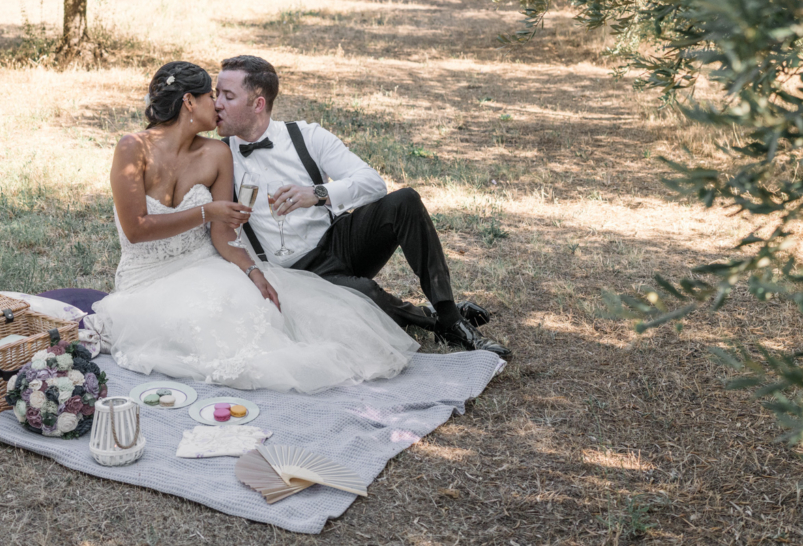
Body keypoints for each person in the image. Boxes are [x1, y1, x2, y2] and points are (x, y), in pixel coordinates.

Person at [89, 61, 418, 393]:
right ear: (189, 102)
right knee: (191, 323)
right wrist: (207, 211)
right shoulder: (132, 147)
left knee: (257, 314)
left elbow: (222, 235)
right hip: (144, 277)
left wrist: (252, 271)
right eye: (210, 96)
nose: (216, 104)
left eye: (222, 96)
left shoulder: (217, 153)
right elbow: (137, 229)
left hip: (202, 266)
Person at [215, 54, 510, 359]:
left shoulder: (306, 136)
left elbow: (372, 183)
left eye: (228, 96)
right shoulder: (218, 156)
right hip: (295, 273)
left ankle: (450, 317)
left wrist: (317, 193)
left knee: (404, 200)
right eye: (216, 94)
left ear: (258, 104)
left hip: (339, 242)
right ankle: (433, 319)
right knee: (366, 296)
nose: (217, 104)